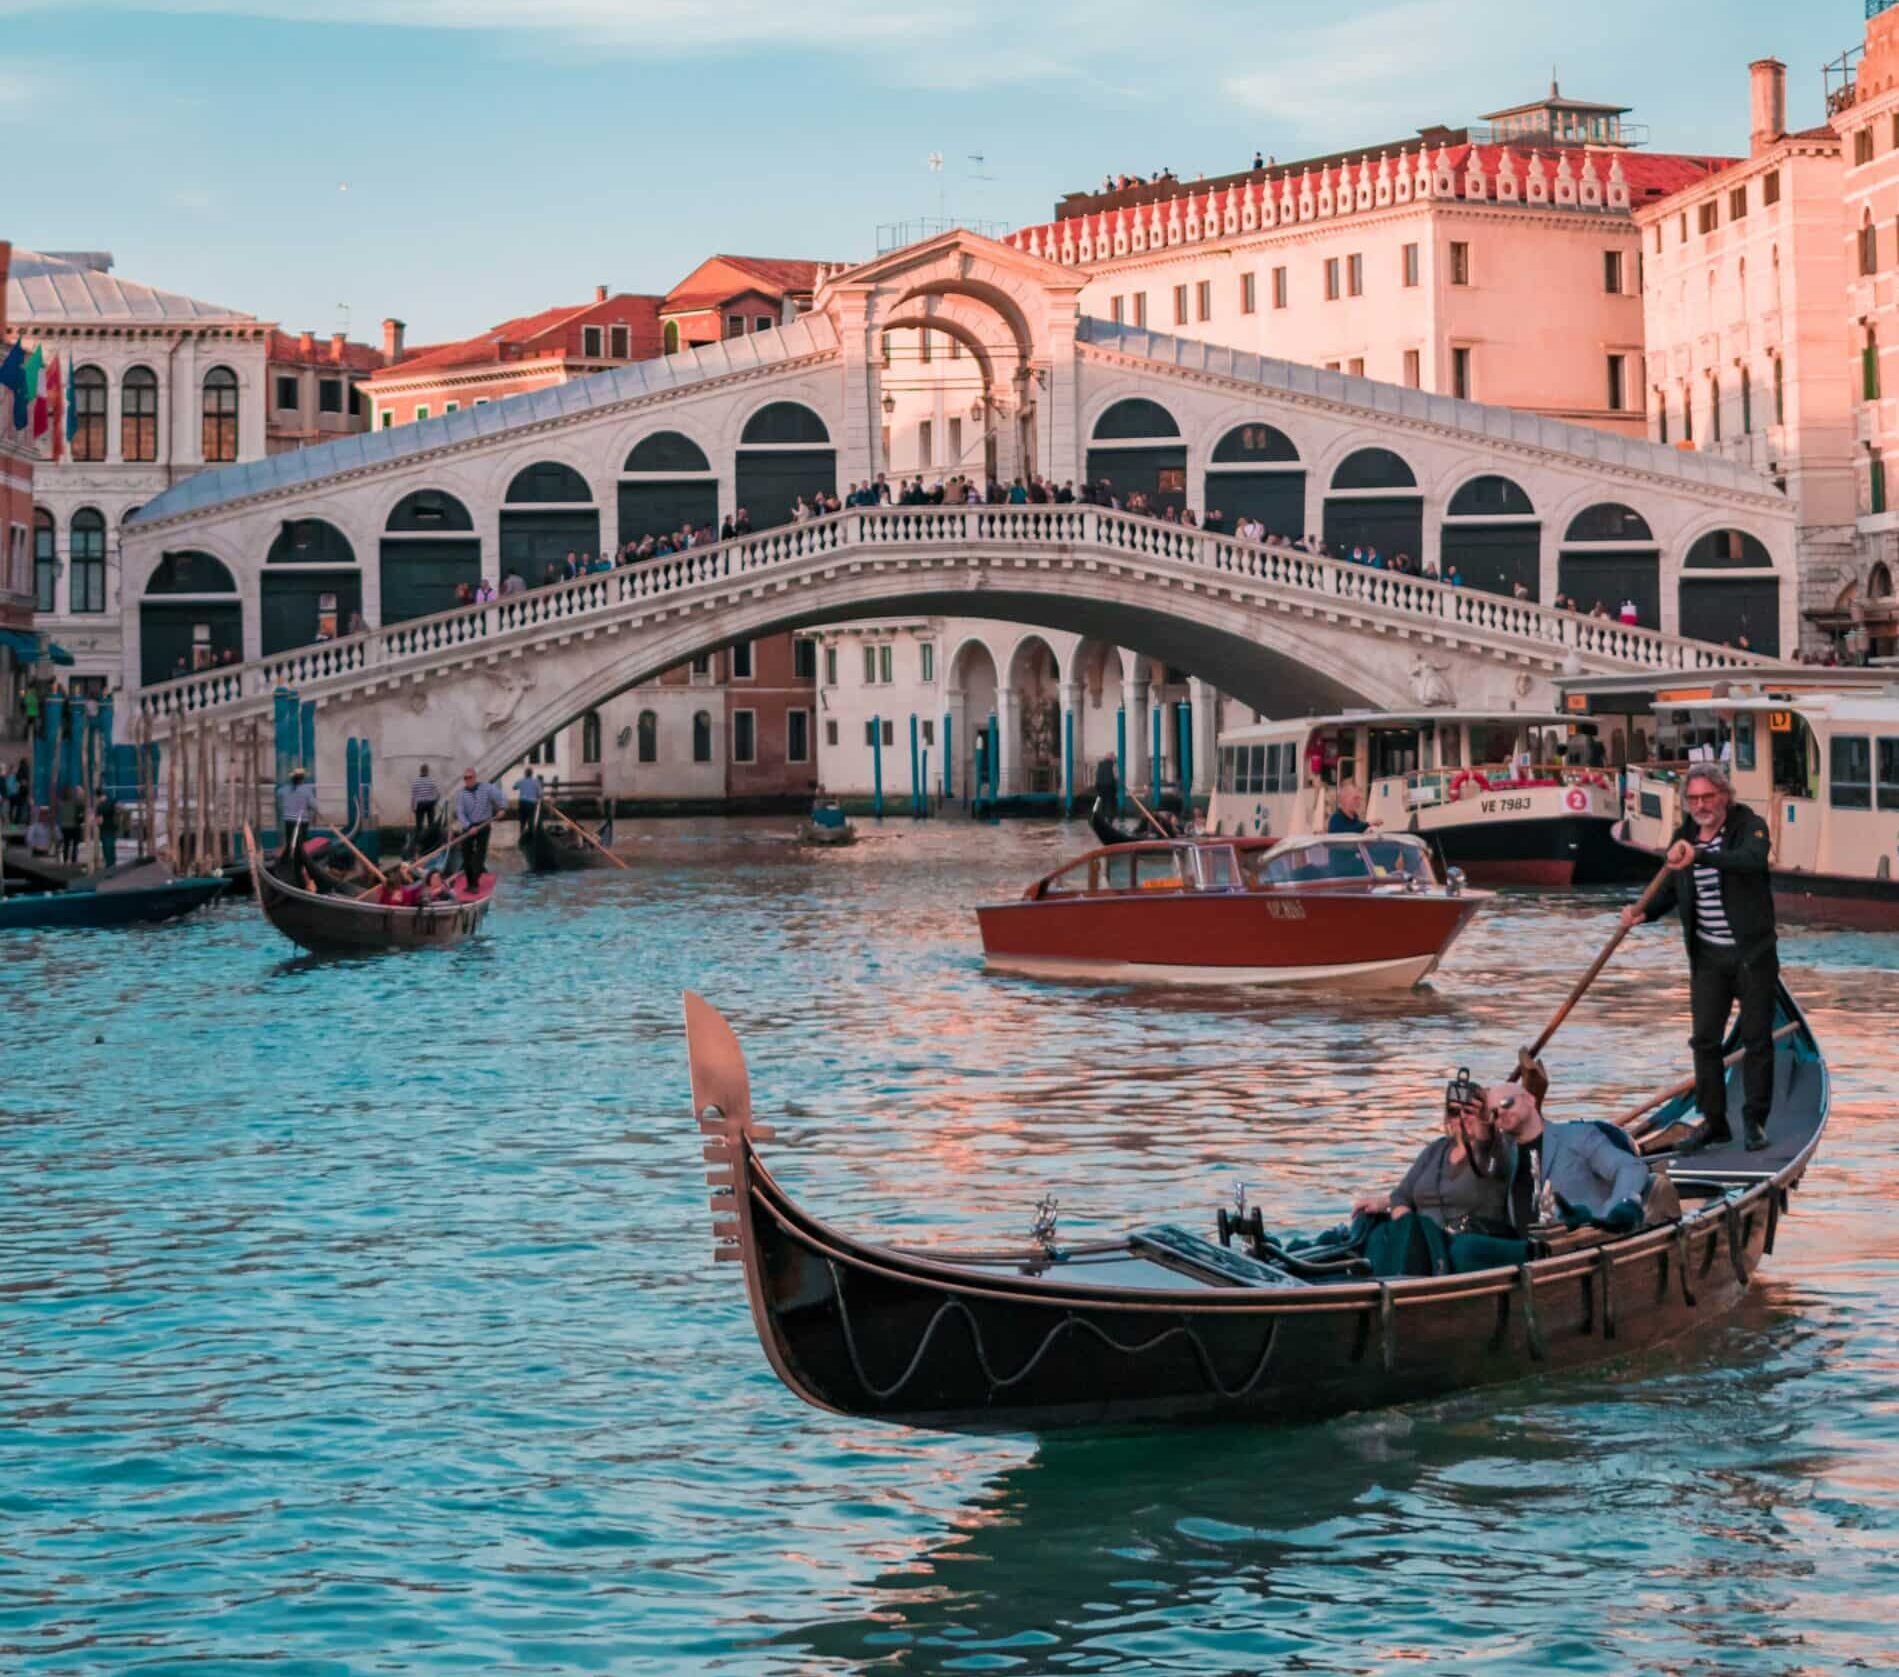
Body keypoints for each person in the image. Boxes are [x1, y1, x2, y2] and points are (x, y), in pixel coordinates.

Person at [1618, 762, 1777, 1152]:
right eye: (1695, 798)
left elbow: (1752, 861)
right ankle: (1714, 1121)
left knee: (1757, 1039)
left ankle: (1755, 1119)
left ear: (1724, 796)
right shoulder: (1683, 837)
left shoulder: (1749, 826)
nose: (1702, 805)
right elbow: (1671, 889)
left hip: (1752, 956)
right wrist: (1643, 911)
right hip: (1708, 959)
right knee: (1704, 1040)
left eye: (1709, 796)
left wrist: (1701, 857)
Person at [1487, 1083, 1653, 1232]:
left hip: (1584, 1244)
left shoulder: (1578, 1136)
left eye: (1506, 1103)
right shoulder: (1501, 1156)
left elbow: (1631, 1168)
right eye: (1493, 1113)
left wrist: (1610, 1214)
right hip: (1527, 1252)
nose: (1501, 1112)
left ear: (1530, 1099)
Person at [453, 767, 507, 891]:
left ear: (475, 777)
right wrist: (468, 826)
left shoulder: (487, 788)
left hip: (484, 825)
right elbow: (460, 813)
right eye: (465, 778)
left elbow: (502, 796)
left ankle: (474, 883)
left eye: (469, 777)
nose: (467, 780)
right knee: (466, 855)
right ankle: (470, 882)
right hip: (469, 826)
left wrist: (503, 808)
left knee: (479, 855)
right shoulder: (461, 794)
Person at [278, 766, 322, 873]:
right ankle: (299, 865)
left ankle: (287, 862)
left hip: (288, 820)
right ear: (302, 779)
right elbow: (314, 805)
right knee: (301, 844)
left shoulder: (284, 789)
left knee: (290, 842)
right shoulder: (306, 790)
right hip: (301, 821)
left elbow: (279, 793)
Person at [410, 764, 440, 851]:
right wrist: (435, 801)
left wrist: (412, 807)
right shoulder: (431, 781)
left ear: (420, 771)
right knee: (431, 824)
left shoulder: (416, 781)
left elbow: (413, 796)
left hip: (420, 805)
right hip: (430, 804)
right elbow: (438, 794)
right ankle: (431, 843)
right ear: (427, 771)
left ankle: (418, 845)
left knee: (419, 825)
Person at [96, 781, 119, 868]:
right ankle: (113, 864)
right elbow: (119, 808)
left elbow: (100, 821)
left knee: (106, 849)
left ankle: (109, 866)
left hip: (104, 829)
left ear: (98, 796)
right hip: (113, 827)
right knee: (112, 848)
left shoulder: (100, 807)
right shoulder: (112, 801)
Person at [514, 765, 544, 831]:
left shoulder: (521, 781)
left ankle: (522, 834)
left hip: (522, 802)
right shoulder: (536, 782)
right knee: (531, 820)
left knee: (522, 820)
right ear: (532, 774)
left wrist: (521, 787)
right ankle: (530, 836)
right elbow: (540, 794)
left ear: (525, 773)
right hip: (531, 803)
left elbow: (514, 787)